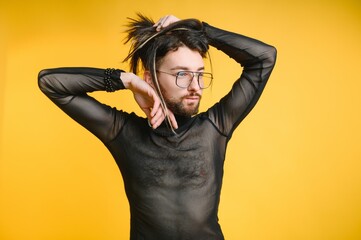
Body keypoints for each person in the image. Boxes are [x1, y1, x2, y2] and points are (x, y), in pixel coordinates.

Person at [38, 14, 276, 240]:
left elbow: (264, 57)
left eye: (200, 74)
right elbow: (50, 83)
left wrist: (197, 28)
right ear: (150, 79)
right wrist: (127, 80)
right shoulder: (123, 132)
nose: (196, 86)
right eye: (182, 74)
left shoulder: (216, 127)